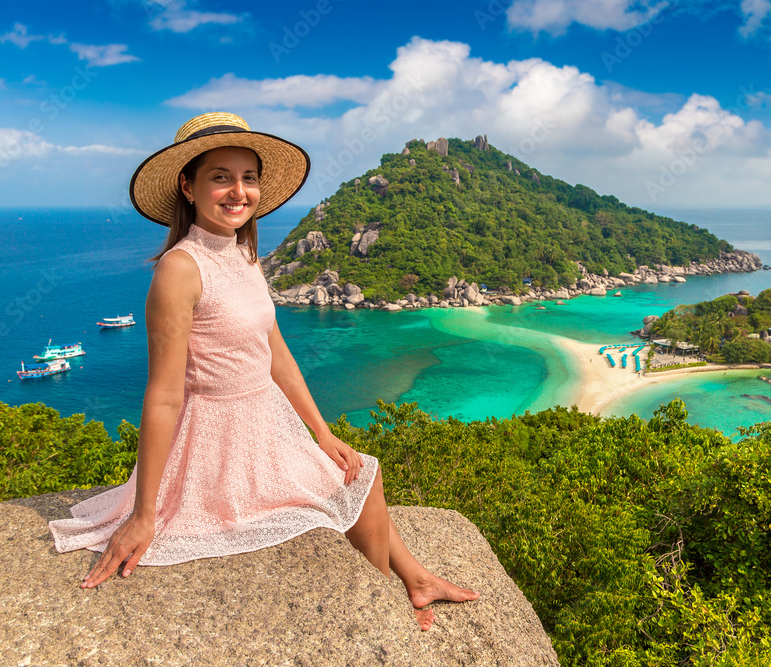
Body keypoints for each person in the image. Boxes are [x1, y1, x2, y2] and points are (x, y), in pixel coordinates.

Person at [48, 112, 478, 630]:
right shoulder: (180, 269)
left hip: (267, 421)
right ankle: (383, 601)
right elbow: (163, 395)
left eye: (248, 178)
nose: (238, 191)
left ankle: (412, 578)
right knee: (350, 487)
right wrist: (144, 513)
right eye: (220, 177)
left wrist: (323, 433)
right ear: (188, 186)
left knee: (360, 470)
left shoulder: (246, 256)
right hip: (217, 437)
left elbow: (276, 353)